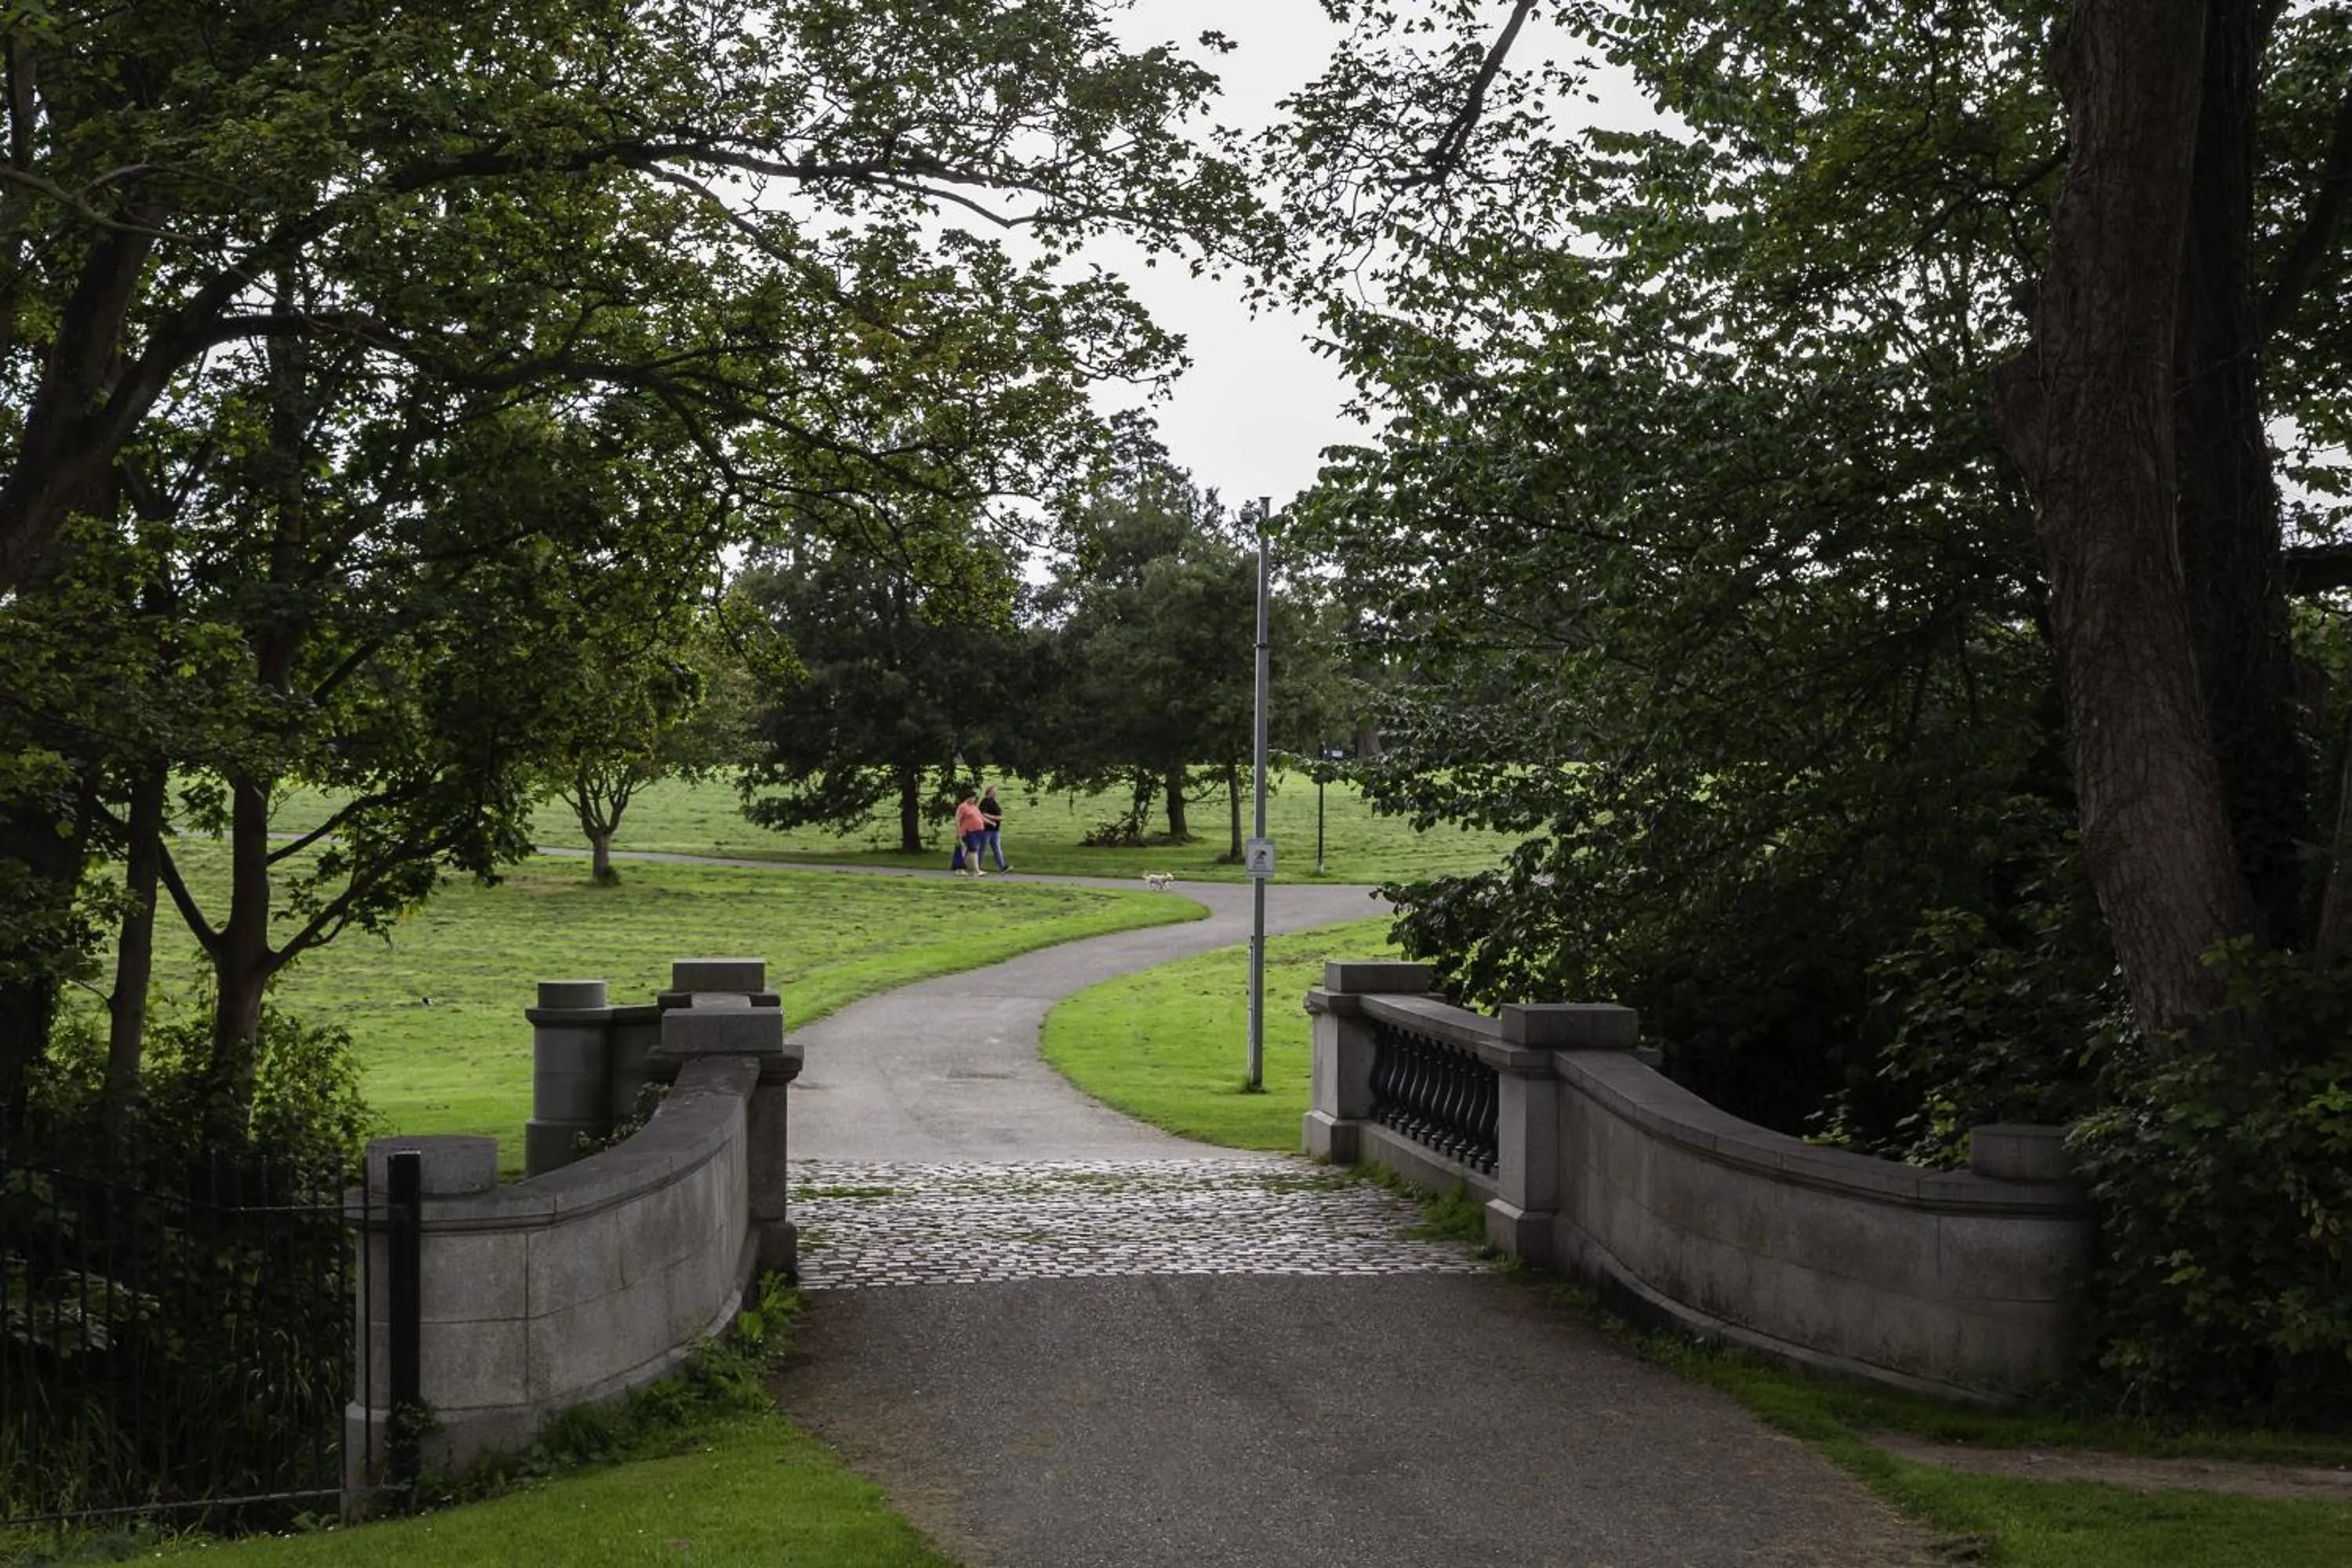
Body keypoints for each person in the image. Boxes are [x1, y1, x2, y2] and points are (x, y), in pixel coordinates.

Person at [953, 789, 989, 878]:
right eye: (972, 798)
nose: (974, 799)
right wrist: (958, 833)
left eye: (975, 798)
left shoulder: (974, 807)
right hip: (968, 831)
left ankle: (964, 868)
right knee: (973, 850)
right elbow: (958, 820)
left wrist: (991, 822)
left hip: (977, 831)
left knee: (969, 851)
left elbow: (980, 816)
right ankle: (976, 870)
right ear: (968, 798)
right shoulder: (963, 807)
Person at [978, 783, 1008, 872]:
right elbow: (982, 814)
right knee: (982, 849)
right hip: (987, 830)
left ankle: (1002, 867)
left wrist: (999, 818)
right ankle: (977, 867)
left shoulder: (994, 802)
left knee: (997, 849)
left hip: (995, 830)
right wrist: (996, 818)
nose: (995, 793)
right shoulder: (985, 802)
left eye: (996, 791)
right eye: (994, 791)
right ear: (989, 792)